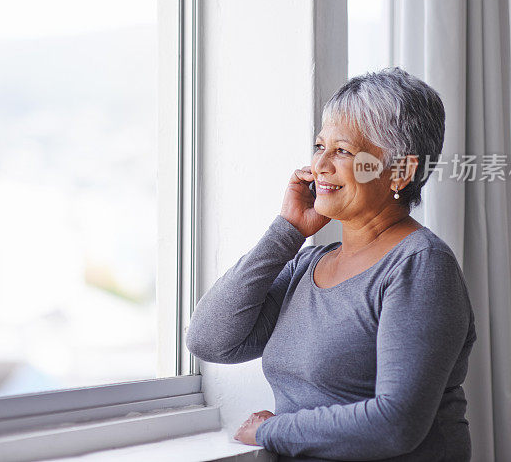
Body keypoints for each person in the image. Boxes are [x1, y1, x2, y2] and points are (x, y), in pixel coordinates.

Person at [185, 68, 477, 461]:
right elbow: (209, 340)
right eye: (319, 146)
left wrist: (273, 430)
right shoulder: (309, 264)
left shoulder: (420, 266)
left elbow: (397, 424)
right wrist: (287, 231)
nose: (320, 164)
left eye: (342, 151)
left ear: (402, 172)